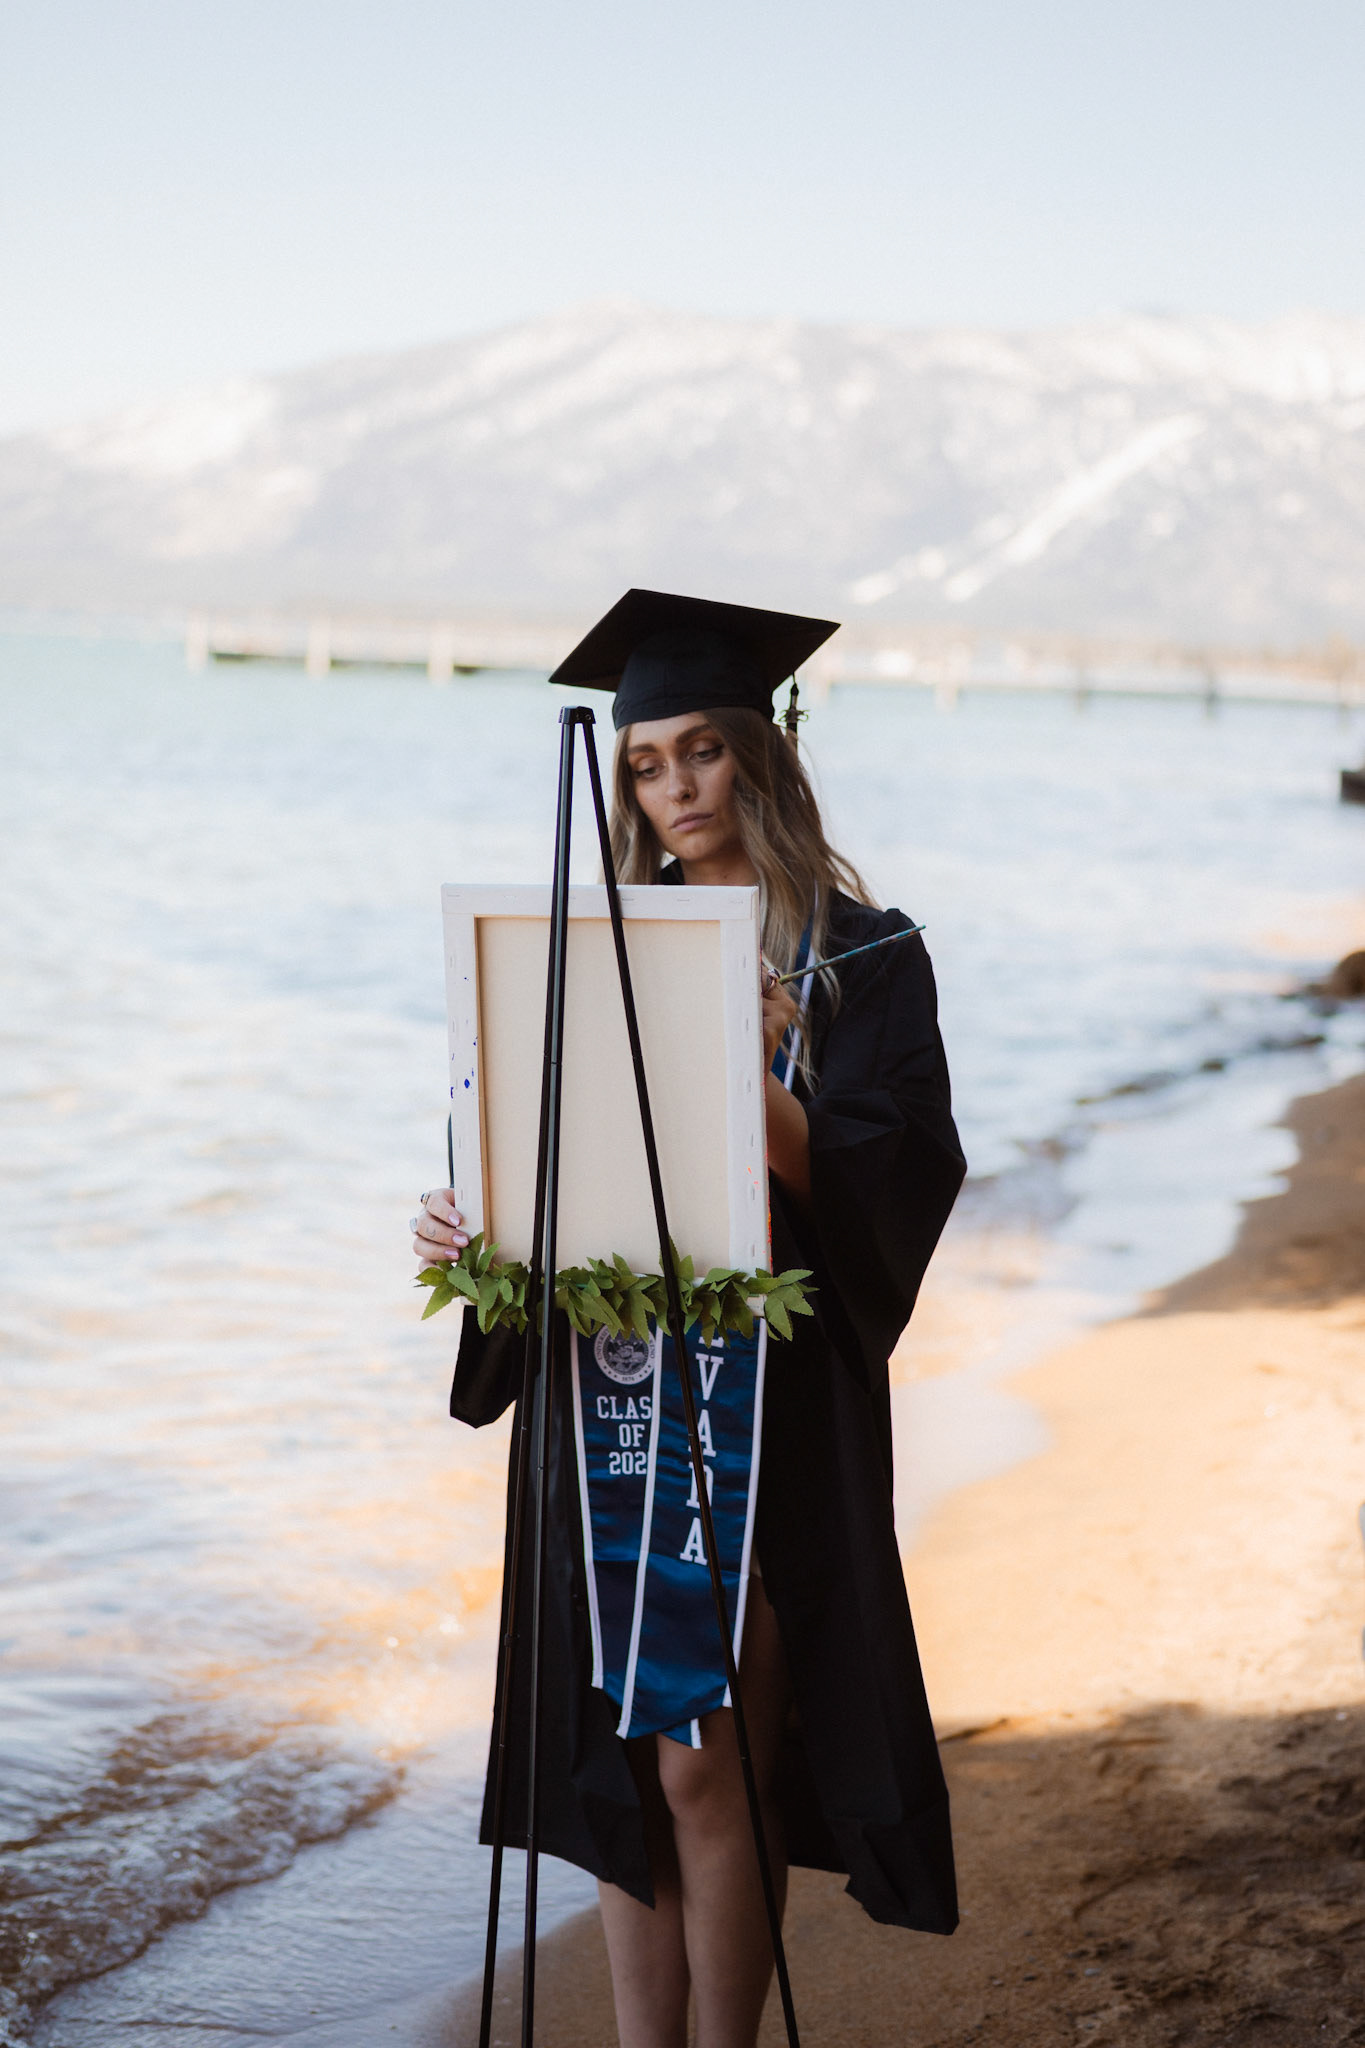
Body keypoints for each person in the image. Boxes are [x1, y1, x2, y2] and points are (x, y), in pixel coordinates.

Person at [412, 592, 966, 2048]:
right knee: (627, 1763)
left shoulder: (867, 958)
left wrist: (759, 1068)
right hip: (601, 1393)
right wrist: (482, 1236)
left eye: (702, 754)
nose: (675, 789)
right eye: (647, 764)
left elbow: (893, 1183)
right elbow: (546, 1155)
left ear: (761, 759)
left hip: (761, 1406)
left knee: (708, 1759)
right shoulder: (589, 950)